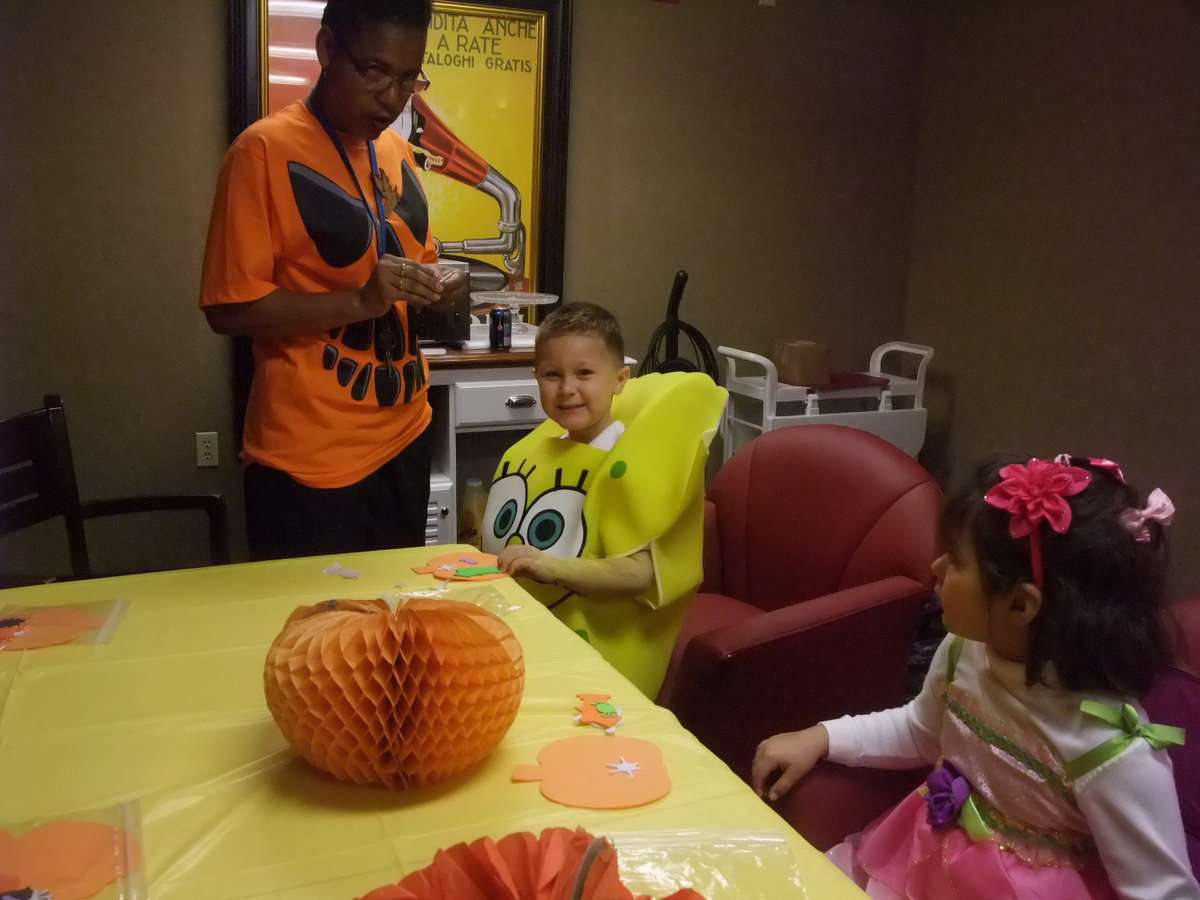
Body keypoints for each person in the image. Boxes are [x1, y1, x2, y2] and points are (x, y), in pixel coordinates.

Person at [751, 453, 1199, 899]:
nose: (936, 569)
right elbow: (920, 731)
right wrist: (824, 736)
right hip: (927, 862)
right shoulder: (966, 648)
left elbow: (1162, 891)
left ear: (1021, 605)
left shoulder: (1110, 751)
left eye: (957, 561)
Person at [199, 0, 468, 560]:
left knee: (393, 625)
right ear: (325, 50)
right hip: (309, 458)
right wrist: (359, 300)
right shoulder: (262, 151)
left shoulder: (397, 152)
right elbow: (227, 309)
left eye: (408, 78)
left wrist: (441, 288)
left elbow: (416, 264)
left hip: (407, 431)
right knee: (315, 638)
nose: (392, 98)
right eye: (373, 72)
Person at [482, 302, 726, 697]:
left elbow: (639, 574)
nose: (567, 389)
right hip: (534, 643)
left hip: (602, 660)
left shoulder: (636, 462)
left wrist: (551, 567)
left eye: (585, 373)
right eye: (552, 374)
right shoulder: (531, 454)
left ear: (620, 379)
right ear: (535, 378)